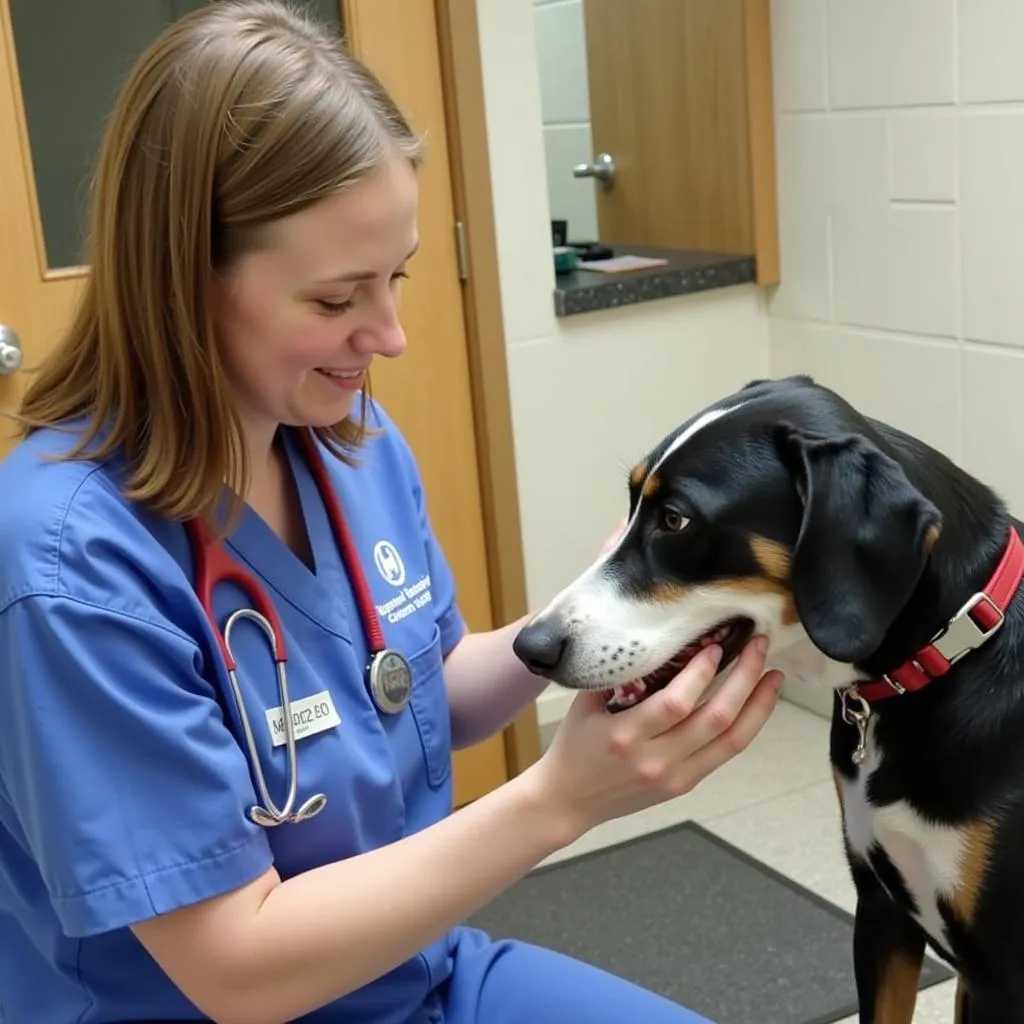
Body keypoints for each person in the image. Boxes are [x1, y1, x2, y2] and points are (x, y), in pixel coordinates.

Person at [0, 3, 785, 1022]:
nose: (390, 334)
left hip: (409, 976)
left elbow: (417, 689)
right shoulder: (66, 563)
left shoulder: (344, 436)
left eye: (397, 277)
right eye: (336, 300)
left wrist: (592, 620)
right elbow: (236, 968)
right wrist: (562, 798)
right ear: (182, 281)